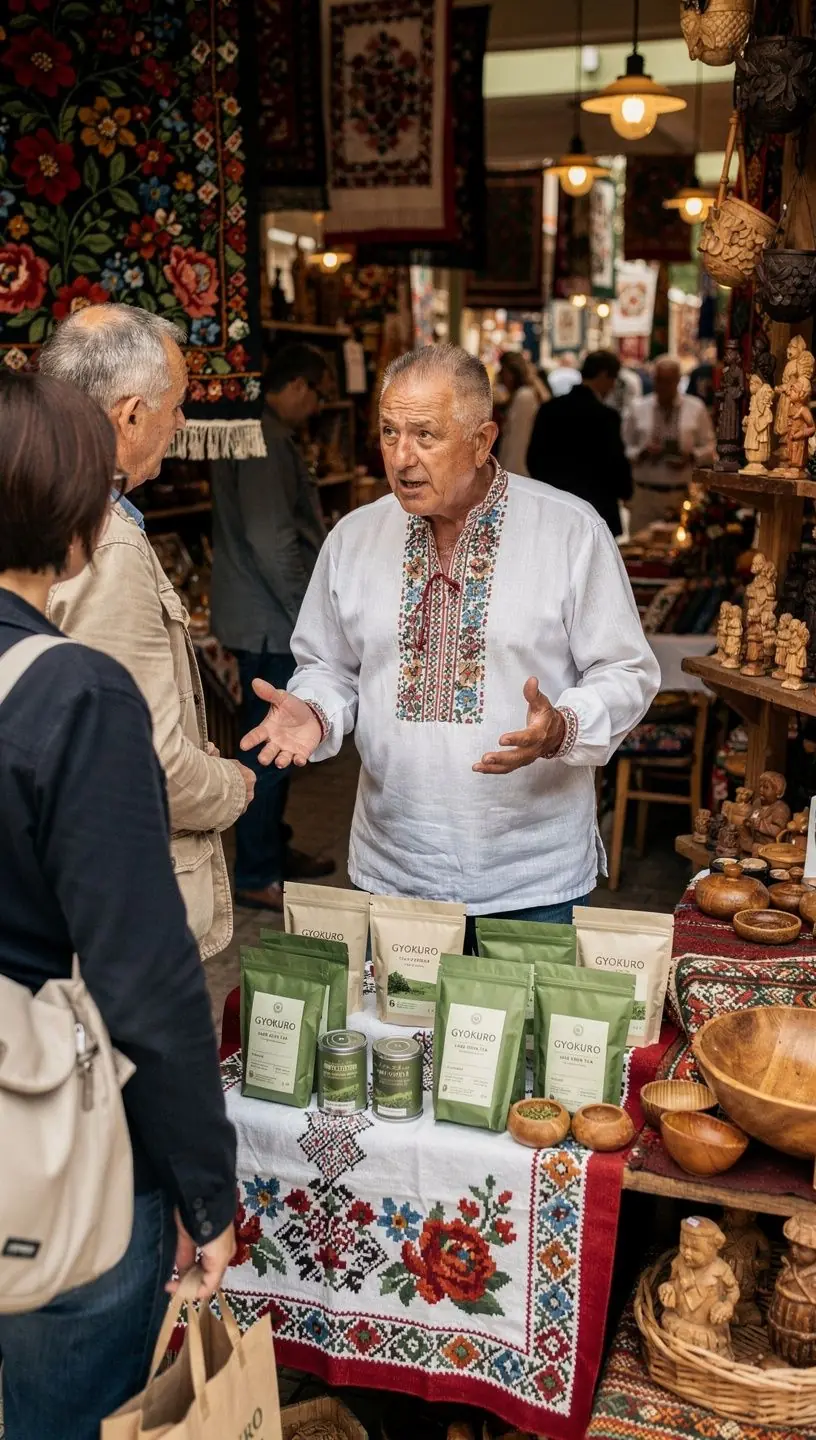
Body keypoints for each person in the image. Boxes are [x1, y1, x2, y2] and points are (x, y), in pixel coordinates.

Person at [0, 371, 236, 1439]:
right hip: (42, 1141)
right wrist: (205, 1193)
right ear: (84, 517)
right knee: (71, 1410)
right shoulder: (74, 695)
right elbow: (144, 977)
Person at [240, 344, 659, 936]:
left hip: (529, 875)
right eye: (388, 432)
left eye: (426, 435)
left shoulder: (569, 532)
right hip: (394, 868)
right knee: (396, 1030)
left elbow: (626, 670)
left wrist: (563, 725)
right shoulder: (354, 538)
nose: (401, 457)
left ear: (483, 439)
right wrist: (316, 709)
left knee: (525, 1033)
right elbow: (329, 666)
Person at [40, 304, 254, 958]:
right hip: (113, 903)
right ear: (131, 415)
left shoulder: (30, 505)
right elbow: (149, 768)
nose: (181, 424)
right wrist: (230, 788)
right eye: (176, 406)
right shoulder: (108, 546)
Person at [210, 343, 334, 912]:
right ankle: (257, 870)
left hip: (263, 614)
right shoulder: (261, 441)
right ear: (300, 387)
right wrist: (304, 615)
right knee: (272, 750)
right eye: (316, 394)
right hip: (272, 620)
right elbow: (272, 541)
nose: (315, 407)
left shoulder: (257, 435)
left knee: (276, 748)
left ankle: (274, 855)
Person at [526, 350, 633, 537]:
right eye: (612, 378)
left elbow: (533, 459)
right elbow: (615, 463)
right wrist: (626, 491)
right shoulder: (606, 416)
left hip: (556, 506)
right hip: (596, 508)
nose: (613, 385)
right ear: (603, 375)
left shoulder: (550, 409)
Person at [622, 354, 715, 535]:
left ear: (678, 380)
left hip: (679, 493)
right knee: (639, 548)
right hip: (644, 494)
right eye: (659, 380)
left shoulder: (695, 408)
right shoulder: (639, 408)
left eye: (668, 381)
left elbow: (710, 446)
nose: (663, 386)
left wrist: (690, 456)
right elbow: (625, 447)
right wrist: (642, 453)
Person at [496, 351, 547, 478]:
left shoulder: (524, 396)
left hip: (517, 473)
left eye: (504, 371)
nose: (501, 376)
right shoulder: (522, 395)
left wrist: (508, 476)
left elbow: (518, 441)